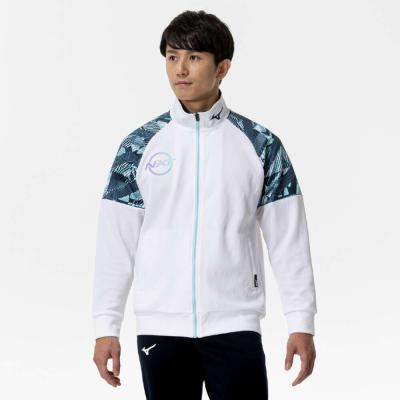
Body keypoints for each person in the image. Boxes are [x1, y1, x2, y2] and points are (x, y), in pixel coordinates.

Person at [91, 10, 317, 400]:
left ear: (222, 68)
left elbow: (289, 239)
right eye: (172, 56)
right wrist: (105, 326)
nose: (180, 69)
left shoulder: (261, 145)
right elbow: (116, 242)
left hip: (235, 323)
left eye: (194, 57)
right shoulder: (138, 147)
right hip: (161, 326)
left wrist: (301, 321)